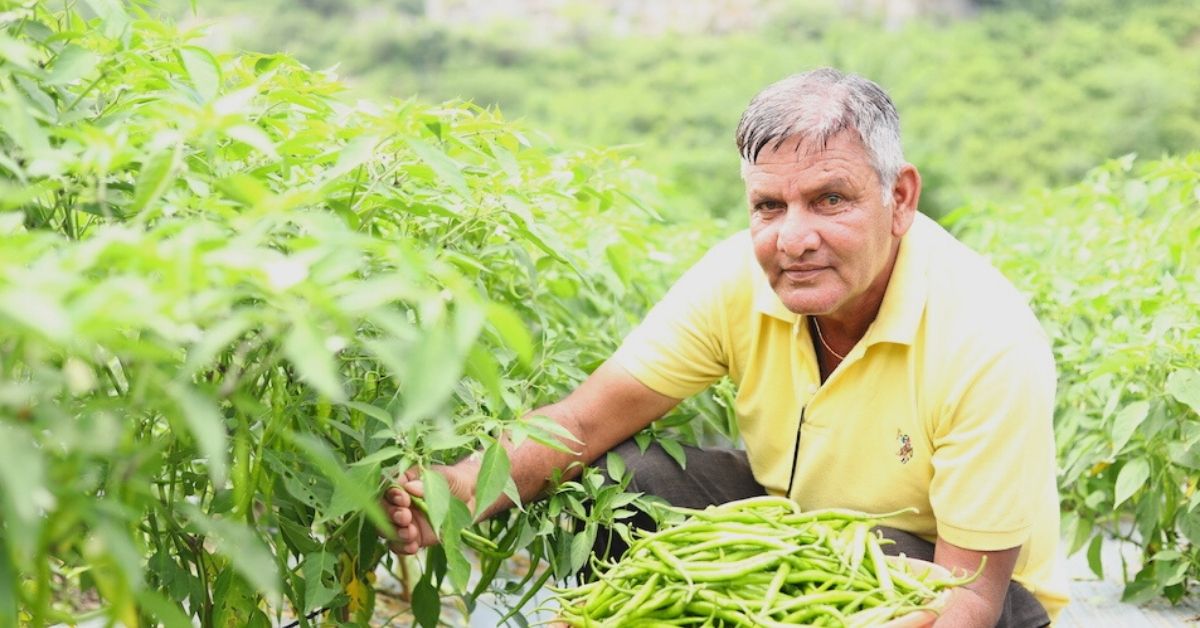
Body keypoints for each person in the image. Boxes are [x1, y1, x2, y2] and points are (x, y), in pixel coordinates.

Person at [383, 67, 1068, 627]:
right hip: (797, 531)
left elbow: (967, 598)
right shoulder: (738, 276)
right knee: (626, 480)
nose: (794, 238)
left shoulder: (986, 341)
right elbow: (583, 423)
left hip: (956, 584)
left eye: (831, 199)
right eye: (770, 206)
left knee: (853, 562)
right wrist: (460, 491)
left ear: (900, 198)